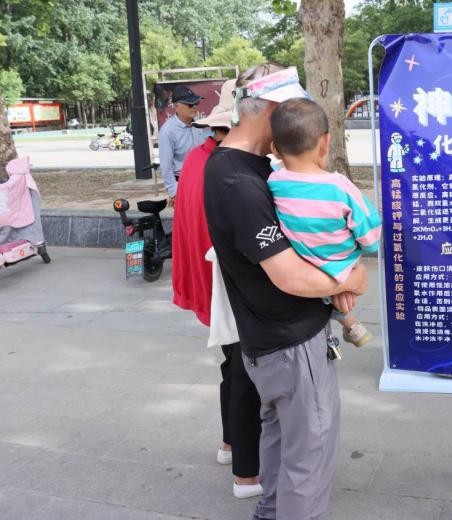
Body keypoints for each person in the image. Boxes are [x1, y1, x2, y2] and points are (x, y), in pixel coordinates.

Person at [203, 64, 368, 520]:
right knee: (308, 459)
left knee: (280, 445)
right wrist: (350, 279)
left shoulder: (251, 168)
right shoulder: (239, 182)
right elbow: (290, 277)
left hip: (273, 343)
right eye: (292, 107)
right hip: (288, 344)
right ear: (270, 110)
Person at [171, 78, 263, 500]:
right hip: (232, 287)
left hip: (214, 285)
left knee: (231, 367)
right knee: (244, 373)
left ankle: (229, 443)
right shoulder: (228, 169)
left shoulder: (199, 160)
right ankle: (246, 472)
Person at [268, 98, 381, 347]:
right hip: (341, 263)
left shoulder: (273, 183)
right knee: (341, 273)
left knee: (331, 281)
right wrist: (366, 247)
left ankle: (349, 323)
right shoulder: (340, 187)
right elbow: (371, 235)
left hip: (303, 262)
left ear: (274, 148)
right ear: (326, 142)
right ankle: (349, 322)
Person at [158, 85, 210, 208]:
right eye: (190, 104)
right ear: (176, 106)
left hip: (204, 180)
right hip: (183, 182)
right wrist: (175, 193)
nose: (195, 107)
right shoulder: (168, 131)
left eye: (196, 103)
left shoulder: (201, 125)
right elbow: (166, 166)